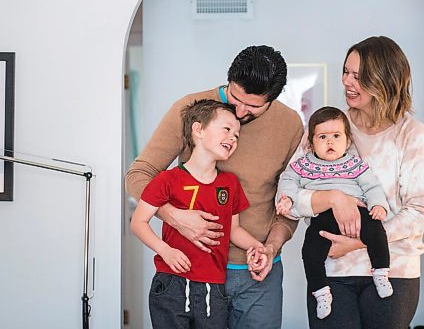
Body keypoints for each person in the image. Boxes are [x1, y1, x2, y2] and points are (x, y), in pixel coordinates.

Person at [125, 45, 304, 329]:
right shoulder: (192, 109)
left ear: (274, 97)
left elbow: (292, 198)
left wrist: (270, 247)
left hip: (256, 274)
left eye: (254, 106)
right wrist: (174, 216)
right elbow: (139, 174)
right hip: (191, 272)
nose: (240, 112)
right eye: (235, 98)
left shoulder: (290, 124)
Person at [292, 36, 424, 328]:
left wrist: (358, 242)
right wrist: (334, 197)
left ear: (384, 79)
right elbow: (289, 197)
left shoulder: (412, 134)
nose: (347, 81)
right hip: (331, 271)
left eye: (358, 76)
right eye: (346, 72)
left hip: (393, 272)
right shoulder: (328, 128)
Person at [130, 99, 268, 328]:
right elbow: (138, 223)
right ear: (198, 129)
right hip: (171, 283)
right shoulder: (168, 179)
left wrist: (257, 247)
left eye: (237, 135)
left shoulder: (230, 184)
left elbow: (234, 230)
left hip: (213, 288)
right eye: (227, 129)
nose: (233, 138)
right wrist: (166, 251)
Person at [276, 106, 392, 320]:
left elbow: (372, 187)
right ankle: (321, 291)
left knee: (376, 231)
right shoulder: (304, 165)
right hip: (323, 218)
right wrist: (287, 198)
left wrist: (378, 206)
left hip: (357, 212)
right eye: (322, 137)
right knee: (310, 251)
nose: (330, 142)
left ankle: (381, 272)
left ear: (347, 141)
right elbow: (288, 181)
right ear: (311, 143)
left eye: (336, 136)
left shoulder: (354, 164)